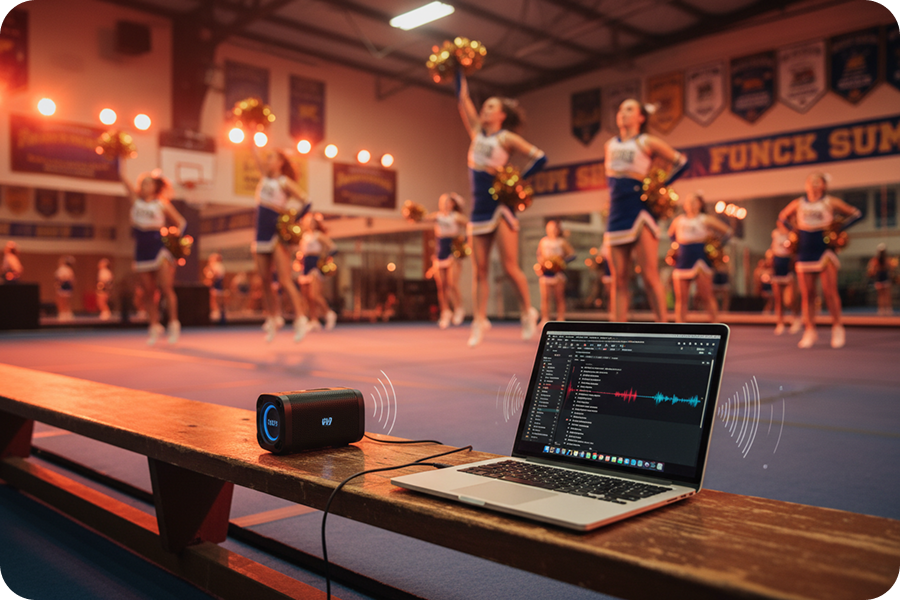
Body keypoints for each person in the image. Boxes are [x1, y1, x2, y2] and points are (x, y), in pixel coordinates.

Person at [457, 72, 547, 346]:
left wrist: (518, 178)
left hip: (501, 206)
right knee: (479, 269)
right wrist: (457, 68)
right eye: (484, 107)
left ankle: (527, 312)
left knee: (509, 266)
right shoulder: (475, 132)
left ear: (502, 116)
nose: (485, 110)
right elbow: (462, 98)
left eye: (491, 107)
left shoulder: (506, 138)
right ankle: (480, 320)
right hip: (479, 208)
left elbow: (540, 157)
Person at [604, 99, 687, 323]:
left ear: (641, 117)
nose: (622, 113)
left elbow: (681, 162)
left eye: (629, 109)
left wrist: (661, 186)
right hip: (616, 213)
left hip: (640, 211)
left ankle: (664, 328)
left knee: (649, 275)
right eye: (620, 109)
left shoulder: (646, 141)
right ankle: (616, 332)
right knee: (618, 280)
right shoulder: (609, 145)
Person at [777, 172, 862, 349]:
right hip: (804, 250)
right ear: (806, 185)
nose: (814, 185)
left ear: (823, 185)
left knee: (829, 291)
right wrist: (794, 231)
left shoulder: (830, 201)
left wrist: (838, 228)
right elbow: (782, 217)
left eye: (818, 182)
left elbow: (856, 214)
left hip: (824, 249)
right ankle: (810, 330)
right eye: (811, 182)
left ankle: (837, 326)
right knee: (807, 294)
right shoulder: (798, 203)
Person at [120, 163, 186, 344]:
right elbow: (122, 178)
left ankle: (173, 324)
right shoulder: (136, 201)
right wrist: (120, 157)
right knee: (148, 292)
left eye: (148, 183)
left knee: (166, 288)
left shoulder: (161, 203)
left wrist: (174, 238)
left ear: (155, 187)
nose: (144, 186)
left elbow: (181, 222)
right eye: (142, 183)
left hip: (159, 249)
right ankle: (154, 326)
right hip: (141, 249)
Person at [249, 146, 310, 342]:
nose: (267, 161)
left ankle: (301, 319)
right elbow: (254, 154)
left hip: (276, 232)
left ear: (281, 162)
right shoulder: (265, 178)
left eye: (271, 157)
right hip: (260, 231)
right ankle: (273, 317)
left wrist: (292, 220)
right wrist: (251, 130)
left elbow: (306, 201)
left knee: (284, 279)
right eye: (267, 158)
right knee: (264, 279)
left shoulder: (284, 182)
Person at [667, 193, 731, 323]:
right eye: (688, 201)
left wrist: (715, 247)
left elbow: (727, 231)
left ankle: (715, 325)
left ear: (700, 204)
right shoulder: (678, 220)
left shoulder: (705, 219)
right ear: (684, 205)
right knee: (681, 299)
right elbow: (671, 235)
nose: (691, 204)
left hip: (700, 260)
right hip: (683, 261)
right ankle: (680, 328)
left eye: (694, 202)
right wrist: (676, 248)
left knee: (706, 296)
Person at [422, 192, 468, 329]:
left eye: (447, 201)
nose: (444, 204)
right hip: (440, 251)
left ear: (452, 203)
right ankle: (445, 312)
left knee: (452, 283)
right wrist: (416, 214)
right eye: (442, 202)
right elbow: (423, 219)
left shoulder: (457, 216)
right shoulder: (437, 216)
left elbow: (470, 226)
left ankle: (459, 309)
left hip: (452, 251)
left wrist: (464, 244)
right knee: (441, 286)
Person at [294, 212, 337, 331]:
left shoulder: (318, 235)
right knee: (307, 296)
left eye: (313, 222)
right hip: (305, 266)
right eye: (308, 222)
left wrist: (323, 258)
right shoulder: (304, 236)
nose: (310, 224)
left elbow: (333, 247)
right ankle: (314, 320)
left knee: (314, 295)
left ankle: (329, 313)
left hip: (315, 266)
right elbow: (301, 252)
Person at [536, 219, 575, 326]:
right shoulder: (543, 241)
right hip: (546, 273)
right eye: (549, 228)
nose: (552, 231)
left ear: (557, 230)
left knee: (559, 297)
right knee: (545, 298)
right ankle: (545, 318)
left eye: (554, 228)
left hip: (558, 273)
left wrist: (561, 262)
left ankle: (560, 318)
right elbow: (539, 255)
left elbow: (572, 255)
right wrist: (542, 264)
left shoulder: (561, 242)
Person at [769, 227, 801, 334]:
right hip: (777, 267)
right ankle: (780, 323)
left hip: (788, 266)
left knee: (792, 299)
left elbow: (795, 251)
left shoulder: (793, 234)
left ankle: (796, 319)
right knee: (778, 298)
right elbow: (772, 249)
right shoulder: (775, 233)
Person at [868, 243, 893, 316]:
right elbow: (872, 270)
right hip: (880, 279)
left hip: (885, 278)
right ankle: (882, 309)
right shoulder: (875, 260)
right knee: (881, 295)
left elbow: (890, 268)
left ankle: (887, 309)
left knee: (886, 295)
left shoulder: (886, 260)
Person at [203, 253, 226, 322]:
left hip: (217, 289)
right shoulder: (212, 267)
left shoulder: (217, 267)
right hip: (214, 289)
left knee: (217, 303)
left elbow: (213, 278)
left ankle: (220, 318)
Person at [54, 255, 76, 321]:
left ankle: (64, 313)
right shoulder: (68, 270)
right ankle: (65, 313)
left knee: (62, 300)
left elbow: (60, 278)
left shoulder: (64, 269)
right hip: (66, 285)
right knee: (65, 301)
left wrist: (59, 283)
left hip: (64, 285)